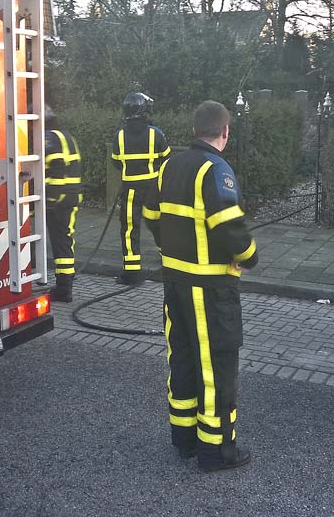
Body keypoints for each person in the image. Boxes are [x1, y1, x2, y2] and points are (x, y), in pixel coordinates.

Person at [143, 100, 258, 472]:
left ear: (194, 130)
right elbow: (229, 227)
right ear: (225, 132)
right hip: (211, 289)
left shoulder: (168, 167)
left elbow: (150, 215)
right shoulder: (216, 169)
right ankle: (217, 450)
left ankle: (184, 439)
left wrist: (169, 249)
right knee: (217, 367)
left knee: (184, 360)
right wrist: (250, 255)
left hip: (174, 283)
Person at [111, 92, 171, 285]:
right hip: (153, 189)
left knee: (129, 229)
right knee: (159, 224)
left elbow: (116, 163)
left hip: (130, 189)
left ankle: (132, 273)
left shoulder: (119, 135)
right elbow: (166, 159)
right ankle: (168, 261)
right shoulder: (156, 134)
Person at [43, 104, 82, 303]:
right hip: (72, 197)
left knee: (61, 244)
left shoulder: (49, 138)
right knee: (67, 240)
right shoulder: (66, 135)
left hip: (59, 201)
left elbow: (57, 169)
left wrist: (50, 199)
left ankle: (64, 288)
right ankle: (67, 279)